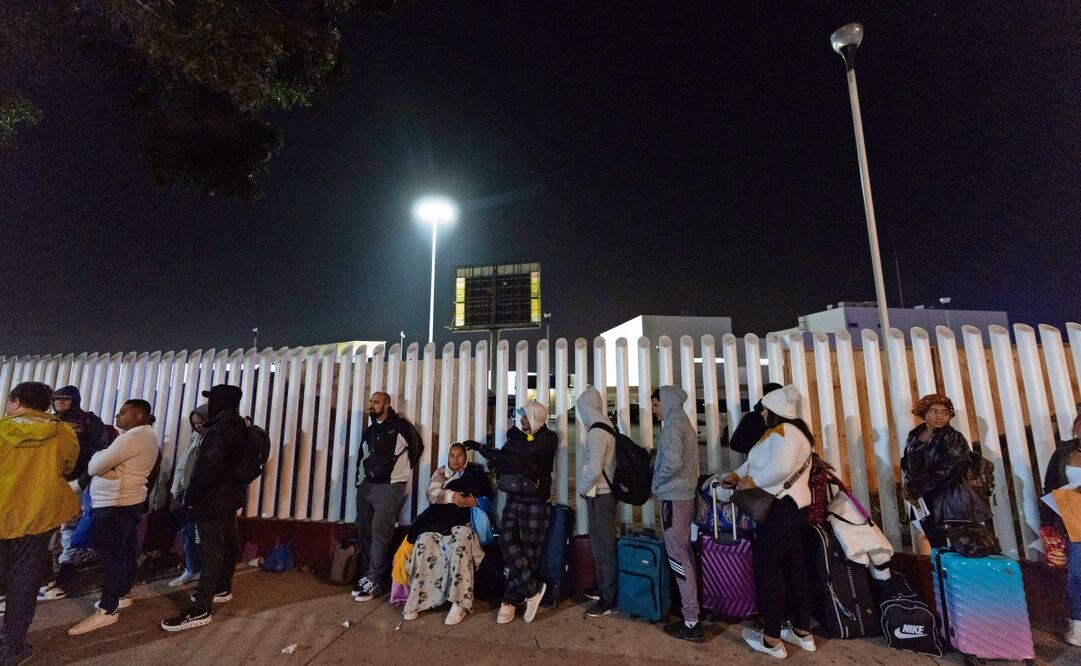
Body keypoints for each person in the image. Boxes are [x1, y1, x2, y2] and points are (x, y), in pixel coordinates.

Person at [724, 384, 816, 659]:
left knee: (767, 569)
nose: (761, 413)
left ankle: (772, 639)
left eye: (764, 408)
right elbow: (760, 462)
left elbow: (779, 468)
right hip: (796, 507)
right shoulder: (793, 432)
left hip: (780, 508)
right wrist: (737, 474)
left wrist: (750, 481)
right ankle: (802, 631)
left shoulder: (785, 433)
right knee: (794, 567)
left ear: (772, 410)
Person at [0, 382, 79, 666]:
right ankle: (11, 649)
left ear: (17, 401)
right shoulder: (64, 433)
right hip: (38, 516)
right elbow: (68, 467)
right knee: (23, 582)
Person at [68, 400, 161, 635]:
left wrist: (101, 456)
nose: (117, 416)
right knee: (126, 550)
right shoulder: (146, 435)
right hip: (128, 501)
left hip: (115, 503)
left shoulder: (132, 438)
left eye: (123, 412)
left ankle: (107, 610)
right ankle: (122, 594)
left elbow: (95, 467)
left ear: (139, 415)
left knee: (112, 556)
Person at [161, 385, 248, 632]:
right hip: (229, 497)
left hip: (212, 499)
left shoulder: (219, 431)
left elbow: (207, 469)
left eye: (213, 399)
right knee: (226, 543)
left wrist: (191, 497)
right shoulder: (238, 425)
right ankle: (221, 587)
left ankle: (201, 608)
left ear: (220, 401)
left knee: (212, 551)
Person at [469, 400, 558, 624]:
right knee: (507, 540)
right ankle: (532, 589)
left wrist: (507, 458)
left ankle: (509, 599)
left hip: (536, 501)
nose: (521, 420)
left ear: (537, 417)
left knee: (529, 552)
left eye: (526, 416)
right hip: (514, 498)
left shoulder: (548, 438)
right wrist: (484, 450)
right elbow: (510, 458)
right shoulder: (517, 438)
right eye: (521, 416)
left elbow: (522, 457)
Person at [398, 442, 495, 626]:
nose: (456, 459)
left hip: (465, 523)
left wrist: (473, 501)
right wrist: (452, 497)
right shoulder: (441, 472)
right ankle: (421, 599)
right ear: (448, 457)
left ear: (465, 457)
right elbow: (432, 494)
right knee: (424, 542)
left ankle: (460, 603)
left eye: (460, 455)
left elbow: (488, 500)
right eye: (452, 455)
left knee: (460, 544)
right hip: (440, 522)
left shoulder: (475, 473)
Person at [38, 385, 113, 601]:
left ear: (75, 401)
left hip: (77, 482)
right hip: (51, 481)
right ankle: (46, 578)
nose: (60, 403)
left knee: (69, 528)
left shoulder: (88, 421)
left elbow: (99, 450)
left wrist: (83, 479)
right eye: (57, 399)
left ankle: (65, 578)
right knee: (47, 529)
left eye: (65, 400)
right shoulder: (48, 421)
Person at [353, 391, 422, 602]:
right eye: (371, 401)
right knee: (365, 531)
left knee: (380, 532)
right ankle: (367, 576)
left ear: (387, 404)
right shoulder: (371, 430)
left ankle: (376, 579)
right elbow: (362, 456)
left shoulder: (401, 427)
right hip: (368, 487)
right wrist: (360, 483)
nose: (372, 405)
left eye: (376, 402)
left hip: (390, 488)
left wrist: (399, 475)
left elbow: (417, 449)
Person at [900, 393, 989, 551]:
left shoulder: (953, 437)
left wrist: (917, 487)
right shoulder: (914, 435)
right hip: (923, 498)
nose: (940, 416)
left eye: (945, 413)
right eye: (934, 411)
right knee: (934, 542)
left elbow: (950, 468)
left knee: (954, 545)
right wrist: (909, 486)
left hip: (949, 499)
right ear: (924, 413)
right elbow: (907, 462)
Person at [651, 386, 702, 642]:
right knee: (684, 553)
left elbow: (672, 462)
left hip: (674, 498)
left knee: (678, 557)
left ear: (667, 402)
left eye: (656, 405)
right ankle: (690, 613)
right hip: (685, 497)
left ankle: (691, 620)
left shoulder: (672, 427)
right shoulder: (684, 423)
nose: (654, 411)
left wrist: (656, 482)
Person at [575, 387, 619, 618]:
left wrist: (581, 490)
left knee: (604, 546)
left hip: (600, 494)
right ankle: (604, 588)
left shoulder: (597, 431)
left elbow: (593, 469)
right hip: (602, 493)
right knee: (602, 544)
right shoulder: (607, 425)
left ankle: (609, 598)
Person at [1041, 413, 1081, 646]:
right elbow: (1050, 483)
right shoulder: (1064, 452)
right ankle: (1077, 622)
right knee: (1076, 574)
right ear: (1075, 428)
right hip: (1072, 518)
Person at [168, 405, 209, 587]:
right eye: (195, 423)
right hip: (187, 495)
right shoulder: (196, 439)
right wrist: (177, 491)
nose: (198, 425)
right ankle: (192, 569)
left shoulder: (211, 441)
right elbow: (183, 468)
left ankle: (202, 572)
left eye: (201, 422)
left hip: (200, 498)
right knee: (188, 534)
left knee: (200, 536)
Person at [728, 382, 783, 455]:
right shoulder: (751, 418)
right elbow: (735, 443)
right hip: (757, 464)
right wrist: (760, 446)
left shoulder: (785, 417)